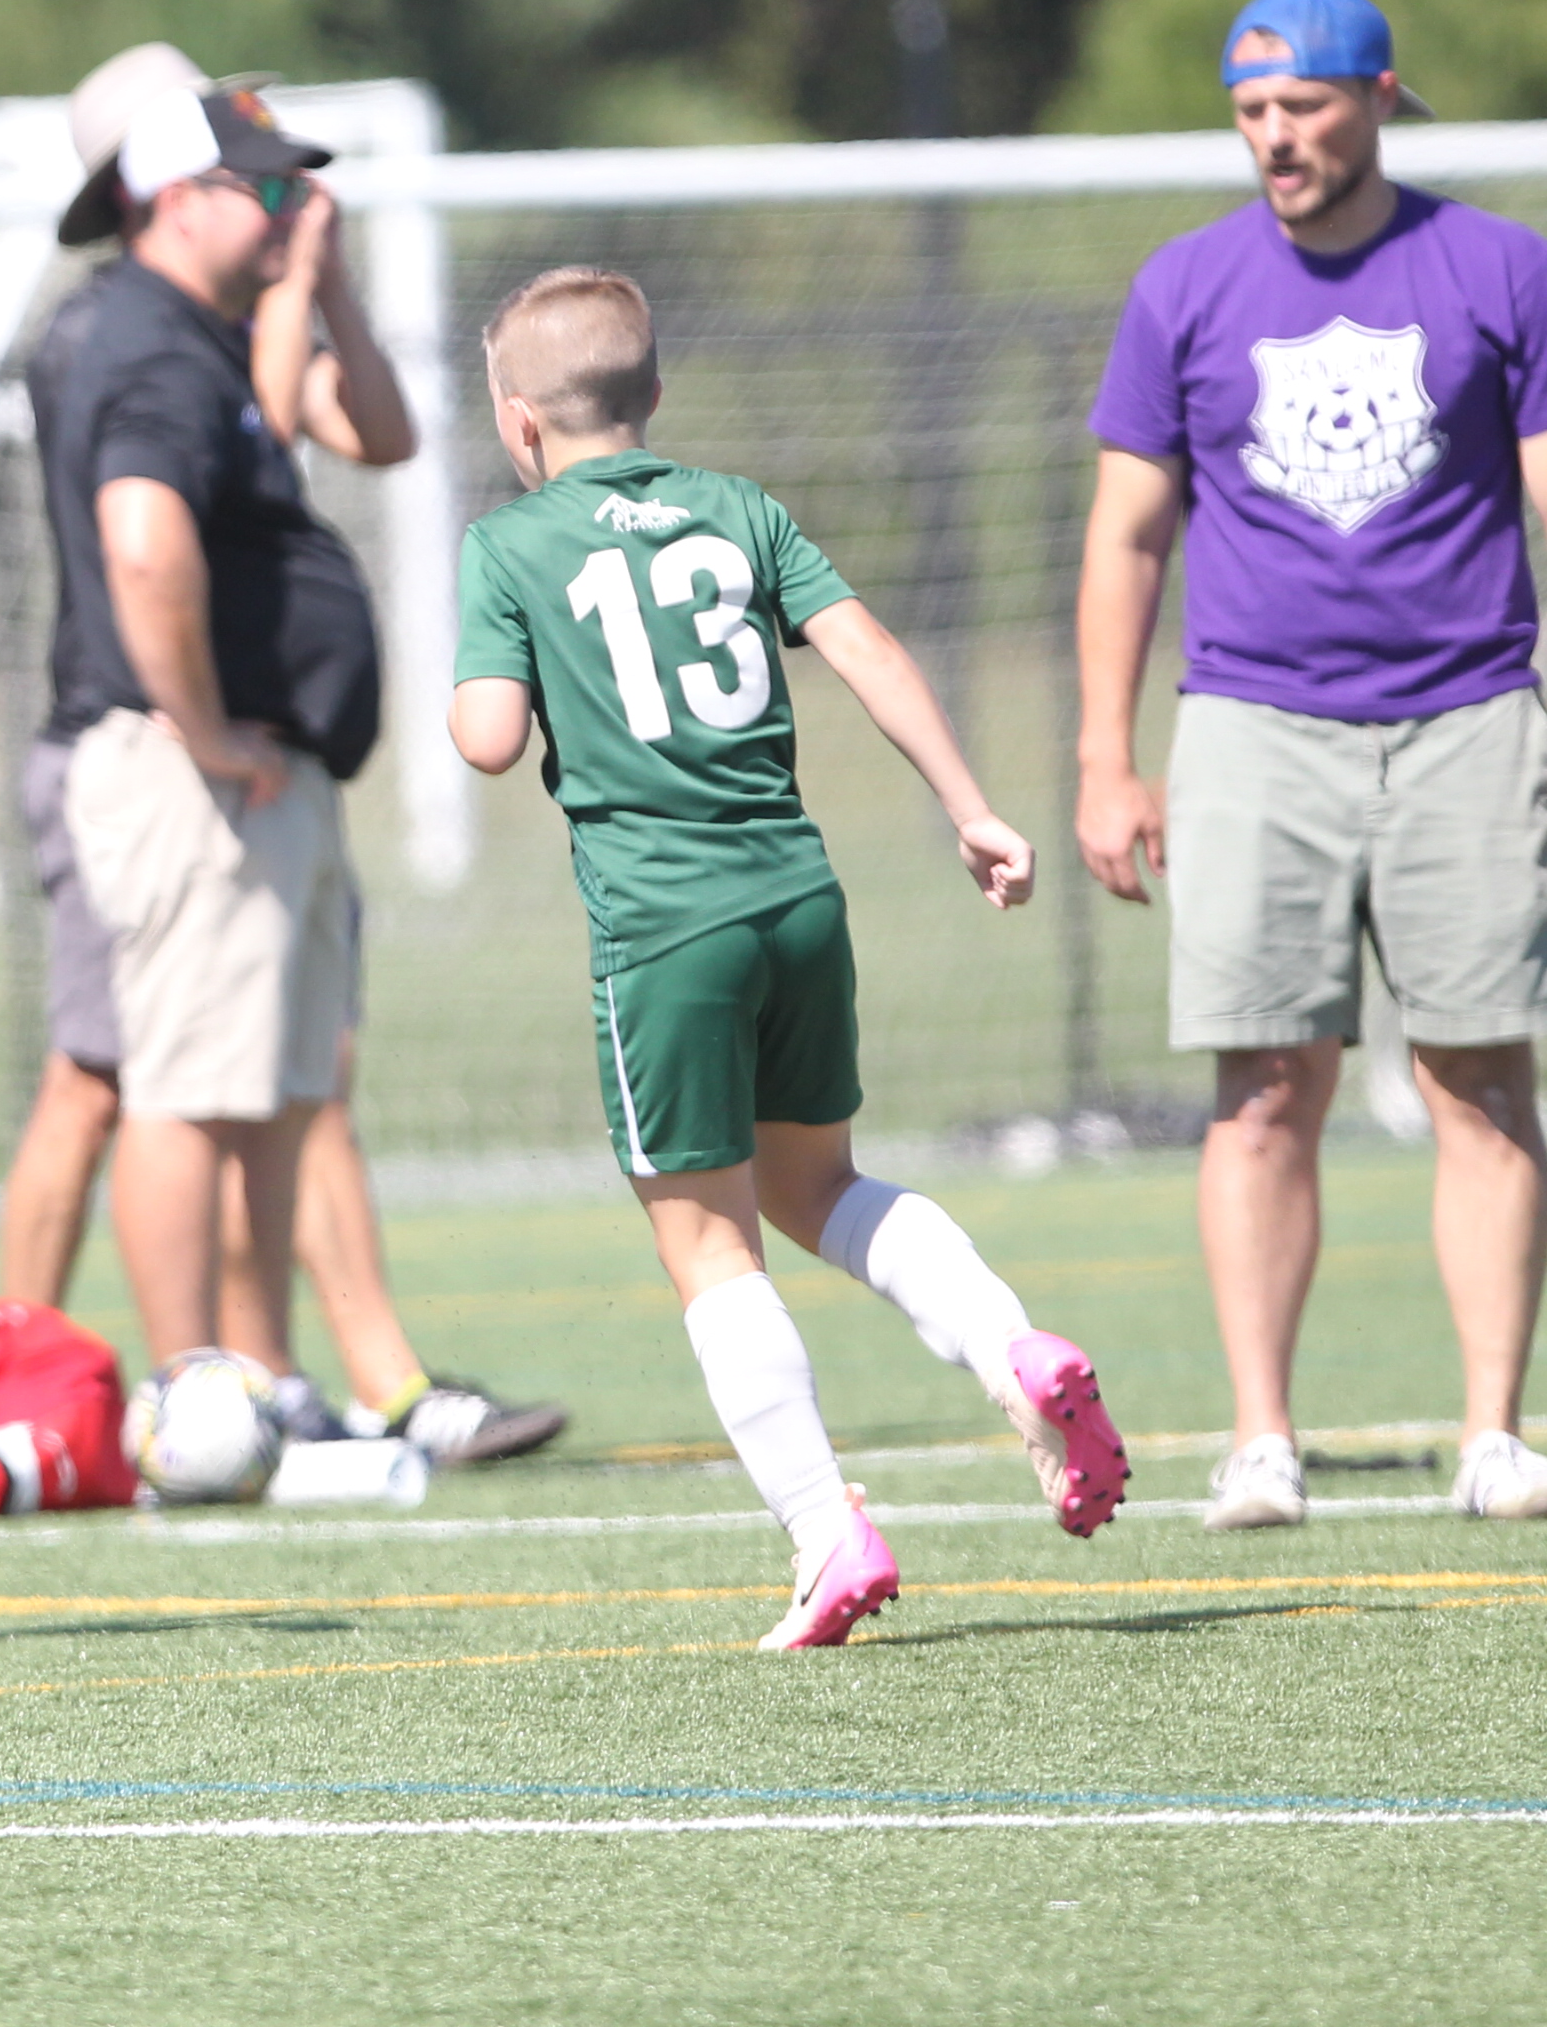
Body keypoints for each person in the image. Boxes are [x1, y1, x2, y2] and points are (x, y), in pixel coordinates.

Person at [454, 268, 1124, 1648]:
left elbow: (488, 739)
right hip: (797, 897)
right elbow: (864, 645)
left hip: (664, 929)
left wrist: (491, 662)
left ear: (517, 421)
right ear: (653, 395)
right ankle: (1010, 1345)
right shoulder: (738, 506)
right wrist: (972, 809)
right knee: (820, 1184)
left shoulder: (510, 542)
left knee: (708, 1242)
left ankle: (827, 1531)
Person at [0, 49, 562, 1462]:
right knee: (155, 1086)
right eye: (255, 185)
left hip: (251, 769)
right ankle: (145, 1390)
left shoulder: (213, 328)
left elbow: (376, 432)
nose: (283, 204)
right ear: (172, 194)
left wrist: (321, 278)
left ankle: (265, 1382)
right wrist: (203, 727)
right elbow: (145, 545)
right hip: (173, 764)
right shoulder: (136, 336)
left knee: (269, 1085)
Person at [1073, 0, 1547, 1527]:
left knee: (1481, 1078)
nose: (1276, 136)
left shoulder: (1500, 268)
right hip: (1255, 723)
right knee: (1265, 1088)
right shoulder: (1186, 285)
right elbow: (1128, 536)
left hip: (1470, 715)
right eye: (1252, 111)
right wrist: (1103, 757)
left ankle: (1495, 1438)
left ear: (1379, 99)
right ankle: (1261, 1441)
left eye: (1304, 106)